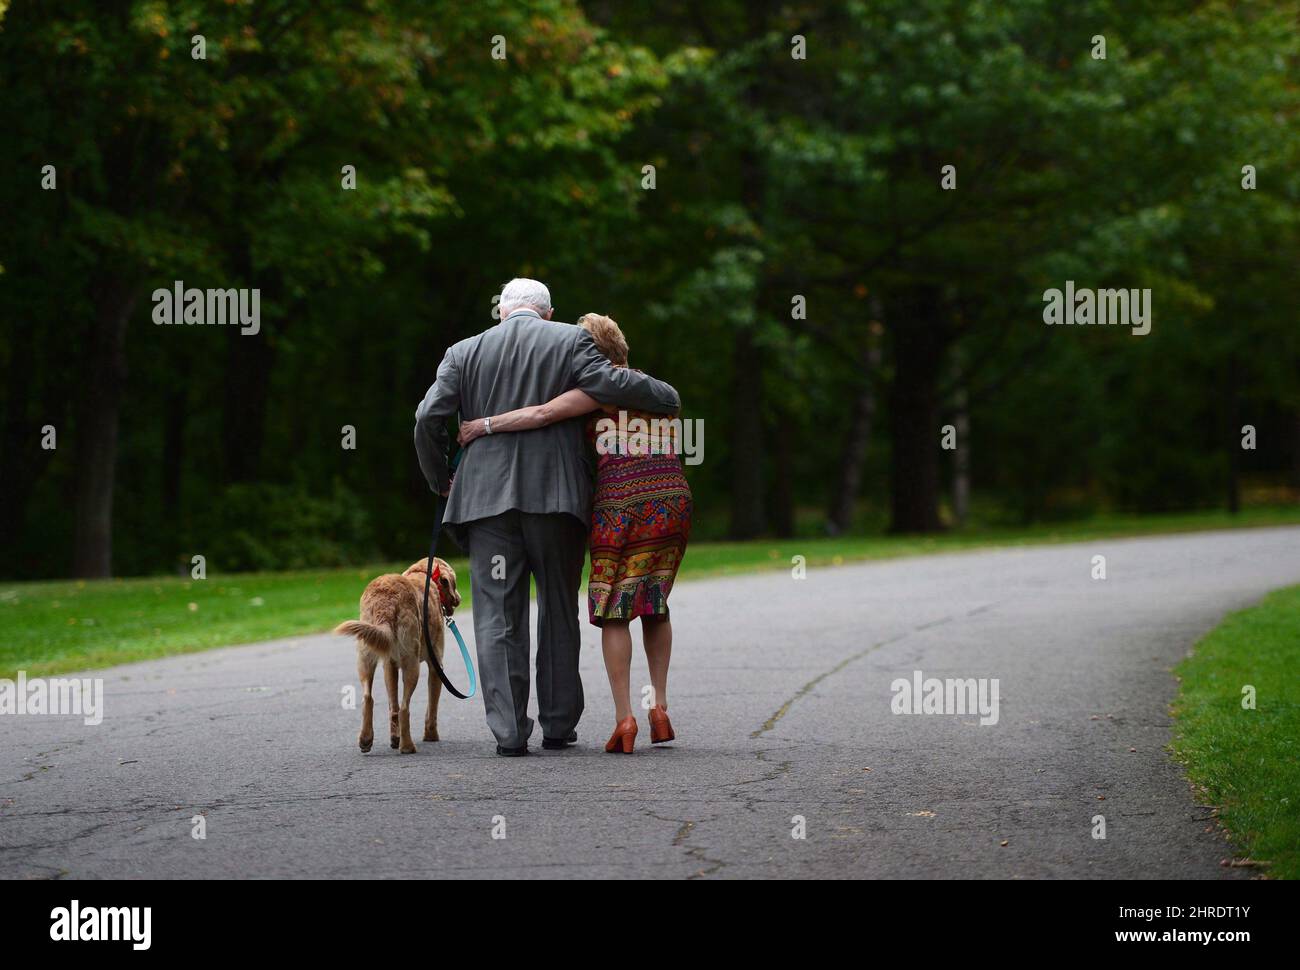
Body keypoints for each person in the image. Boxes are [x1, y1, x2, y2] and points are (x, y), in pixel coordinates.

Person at [414, 280, 679, 757]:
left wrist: (440, 478)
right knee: (558, 605)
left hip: (485, 501)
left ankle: (510, 733)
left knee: (496, 615)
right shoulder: (570, 340)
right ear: (549, 312)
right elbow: (613, 385)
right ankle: (558, 724)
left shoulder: (462, 352)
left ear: (501, 312)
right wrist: (665, 395)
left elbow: (427, 417)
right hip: (556, 498)